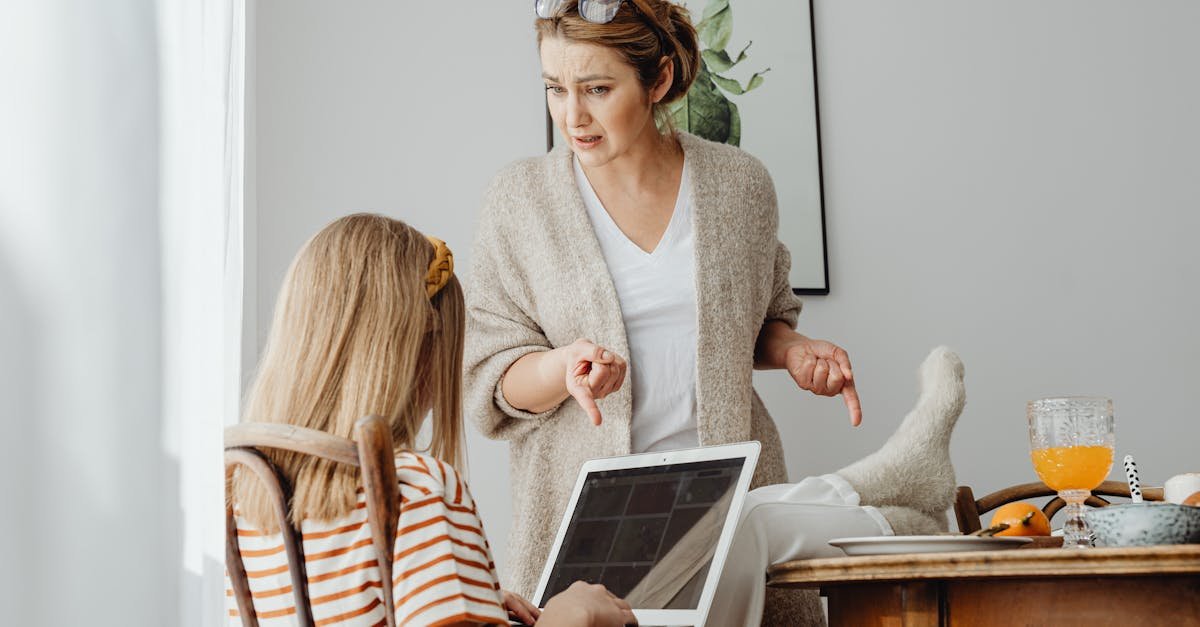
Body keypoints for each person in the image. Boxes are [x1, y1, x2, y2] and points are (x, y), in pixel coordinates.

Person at [463, 0, 872, 622]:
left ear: (657, 80)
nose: (572, 116)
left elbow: (759, 319)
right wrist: (561, 369)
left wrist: (793, 351)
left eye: (597, 89)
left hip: (729, 512)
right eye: (555, 88)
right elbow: (491, 380)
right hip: (588, 528)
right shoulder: (519, 200)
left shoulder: (740, 184)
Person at [225, 214, 637, 626]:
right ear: (423, 346)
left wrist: (465, 596)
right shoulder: (412, 490)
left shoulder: (246, 495)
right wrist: (567, 616)